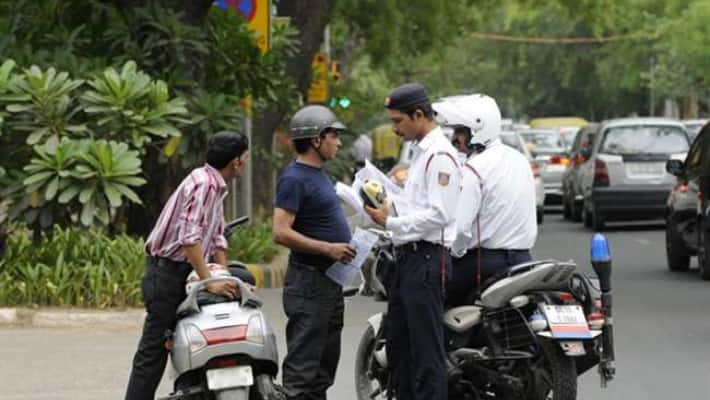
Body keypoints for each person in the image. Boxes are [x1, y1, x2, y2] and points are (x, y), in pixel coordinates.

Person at [125, 131, 249, 400]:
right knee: (154, 351)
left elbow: (216, 236)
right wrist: (210, 281)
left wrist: (224, 274)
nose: (245, 163)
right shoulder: (204, 184)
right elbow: (189, 238)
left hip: (186, 272)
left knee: (195, 340)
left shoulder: (214, 185)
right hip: (167, 274)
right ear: (236, 162)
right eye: (245, 158)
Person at [364, 83, 460, 400]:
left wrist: (390, 221)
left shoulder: (440, 155)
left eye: (397, 121)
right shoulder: (420, 154)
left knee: (426, 353)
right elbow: (417, 205)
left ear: (418, 115)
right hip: (407, 259)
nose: (394, 129)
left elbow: (440, 215)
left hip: (427, 260)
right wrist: (390, 206)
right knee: (400, 348)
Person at [272, 104, 356, 400]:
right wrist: (328, 248)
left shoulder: (318, 175)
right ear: (316, 139)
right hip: (308, 285)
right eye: (333, 135)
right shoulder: (294, 178)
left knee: (322, 373)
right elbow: (280, 231)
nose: (339, 142)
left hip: (329, 284)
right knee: (301, 375)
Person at [435, 94, 537, 307]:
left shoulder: (475, 168)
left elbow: (462, 229)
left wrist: (452, 252)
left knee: (431, 295)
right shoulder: (519, 160)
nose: (455, 139)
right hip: (524, 260)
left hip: (484, 263)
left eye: (460, 131)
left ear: (478, 130)